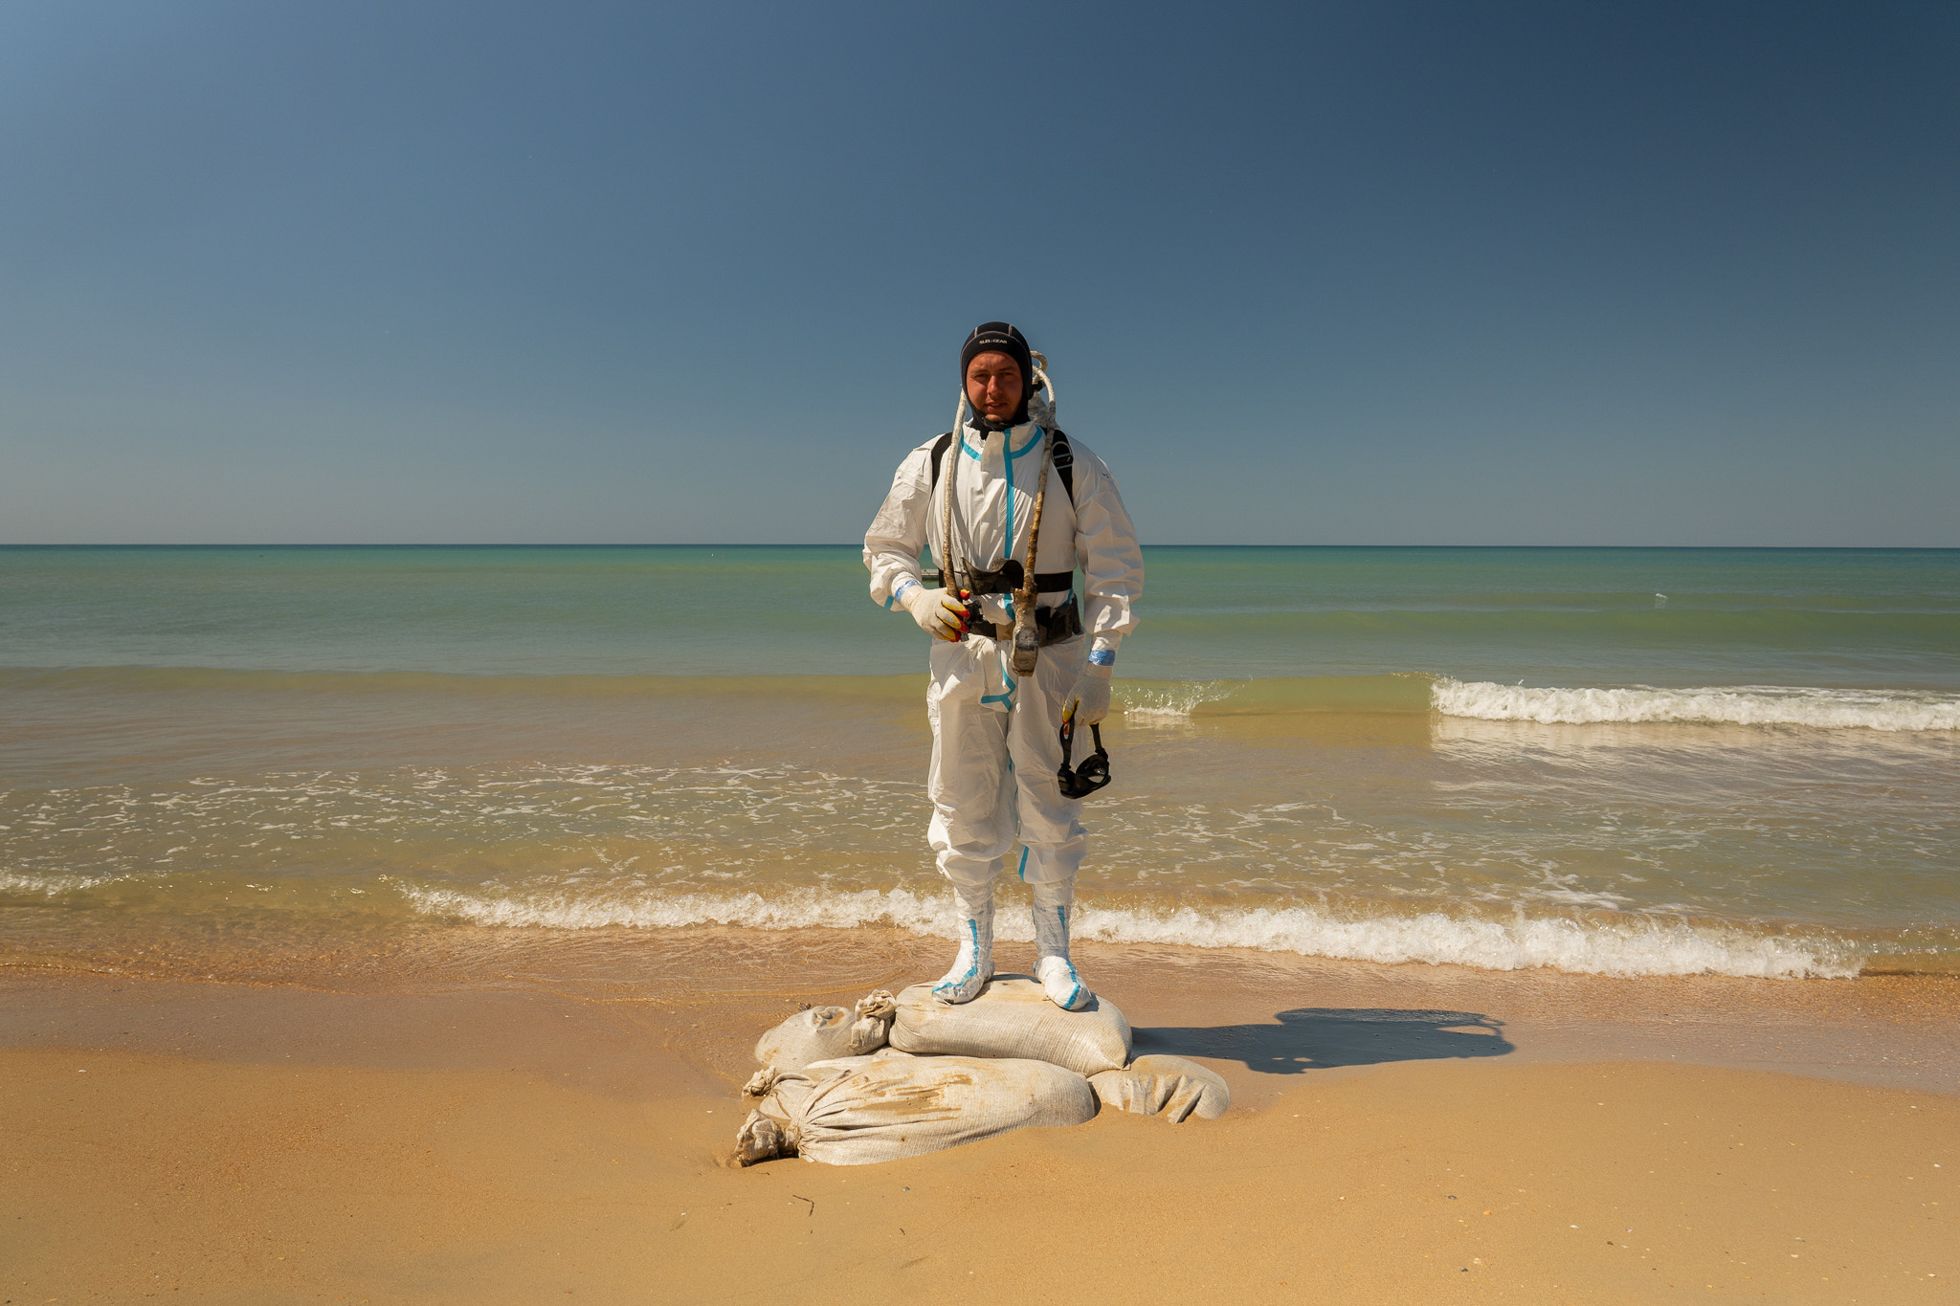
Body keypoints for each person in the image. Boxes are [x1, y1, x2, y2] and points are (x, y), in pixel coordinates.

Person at [863, 322, 1143, 1010]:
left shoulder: (1071, 462)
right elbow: (885, 548)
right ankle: (974, 950)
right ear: (964, 382)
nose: (994, 388)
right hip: (963, 656)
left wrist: (1101, 663)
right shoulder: (932, 461)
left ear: (1029, 380)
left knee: (1051, 805)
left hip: (1051, 658)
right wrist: (914, 596)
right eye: (981, 376)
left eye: (1007, 375)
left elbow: (1115, 569)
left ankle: (1054, 953)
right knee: (961, 801)